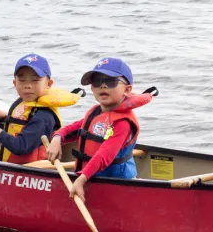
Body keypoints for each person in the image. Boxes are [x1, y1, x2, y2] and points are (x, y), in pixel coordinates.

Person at [45, 57, 152, 201]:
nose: (103, 86)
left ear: (127, 89)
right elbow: (72, 129)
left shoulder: (123, 123)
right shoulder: (96, 112)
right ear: (91, 88)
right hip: (91, 177)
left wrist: (81, 180)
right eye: (97, 82)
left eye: (110, 81)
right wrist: (57, 138)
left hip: (116, 183)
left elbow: (104, 155)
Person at [0, 54, 81, 164]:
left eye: (35, 80)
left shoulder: (43, 116)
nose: (27, 85)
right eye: (22, 80)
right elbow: (21, 122)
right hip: (11, 165)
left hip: (30, 173)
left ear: (49, 84)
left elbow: (20, 147)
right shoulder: (27, 102)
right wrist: (4, 117)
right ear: (14, 83)